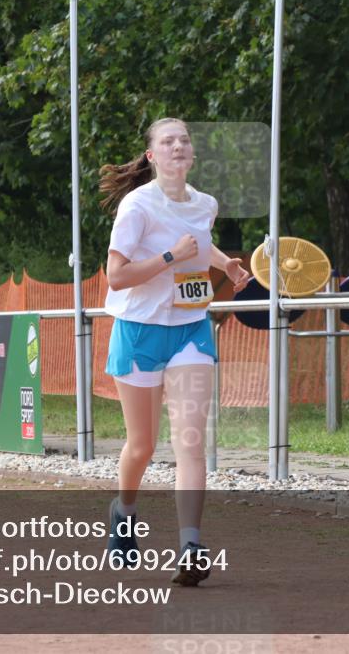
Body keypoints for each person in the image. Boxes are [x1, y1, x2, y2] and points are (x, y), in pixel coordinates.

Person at [99, 117, 250, 587]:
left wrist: (226, 263)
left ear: (191, 154)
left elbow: (199, 247)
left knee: (190, 440)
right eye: (168, 141)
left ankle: (190, 544)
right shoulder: (137, 206)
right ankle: (123, 512)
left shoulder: (205, 203)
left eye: (184, 139)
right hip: (140, 332)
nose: (178, 145)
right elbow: (116, 277)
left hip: (189, 330)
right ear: (152, 156)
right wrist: (169, 258)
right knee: (141, 446)